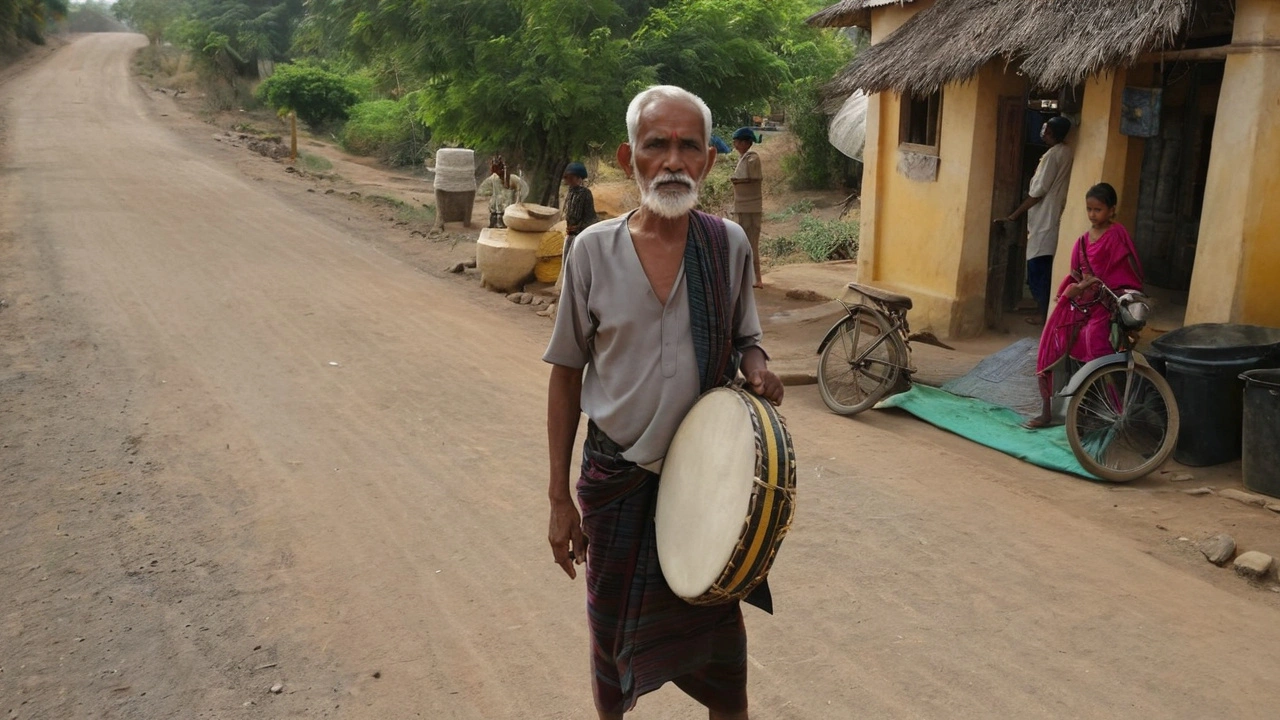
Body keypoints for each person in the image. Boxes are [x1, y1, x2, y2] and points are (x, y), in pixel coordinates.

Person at [544, 85, 783, 719]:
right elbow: (566, 373)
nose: (673, 161)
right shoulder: (591, 250)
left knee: (724, 669)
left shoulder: (727, 245)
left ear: (708, 160)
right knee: (613, 651)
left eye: (688, 147)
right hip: (617, 483)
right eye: (657, 146)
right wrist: (556, 498)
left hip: (704, 492)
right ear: (629, 158)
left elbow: (748, 338)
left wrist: (758, 368)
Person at [1026, 182, 1143, 428]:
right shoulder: (1081, 242)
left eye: (1098, 209)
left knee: (1093, 342)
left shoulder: (1117, 235)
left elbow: (1128, 273)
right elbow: (1076, 274)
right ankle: (1048, 410)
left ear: (1111, 210)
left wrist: (1102, 290)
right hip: (1081, 303)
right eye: (1089, 209)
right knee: (1052, 343)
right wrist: (1071, 292)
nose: (1092, 215)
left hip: (1106, 305)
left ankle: (1113, 410)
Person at [1002, 116, 1074, 325]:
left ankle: (1043, 315)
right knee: (1043, 267)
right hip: (1050, 215)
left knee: (1037, 270)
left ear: (1051, 132)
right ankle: (1042, 312)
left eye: (1047, 129)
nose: (1043, 132)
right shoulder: (1065, 151)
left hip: (1045, 217)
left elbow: (1038, 191)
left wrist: (1015, 214)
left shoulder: (1053, 156)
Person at [729, 127, 764, 289]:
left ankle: (757, 278)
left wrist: (737, 180)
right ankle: (747, 277)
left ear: (746, 143)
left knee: (751, 243)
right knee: (742, 243)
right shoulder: (744, 158)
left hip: (750, 208)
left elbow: (753, 178)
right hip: (743, 207)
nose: (735, 145)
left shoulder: (752, 158)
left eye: (737, 142)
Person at [479, 155, 529, 228]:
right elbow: (482, 190)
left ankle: (501, 222)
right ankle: (496, 222)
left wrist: (518, 201)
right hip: (496, 211)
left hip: (506, 211)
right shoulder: (494, 178)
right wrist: (493, 195)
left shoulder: (513, 178)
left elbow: (523, 189)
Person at [562, 161, 598, 254]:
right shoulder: (570, 192)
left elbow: (590, 217)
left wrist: (579, 227)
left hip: (582, 234)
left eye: (571, 177)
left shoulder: (585, 193)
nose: (568, 180)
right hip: (570, 234)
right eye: (567, 177)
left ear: (579, 178)